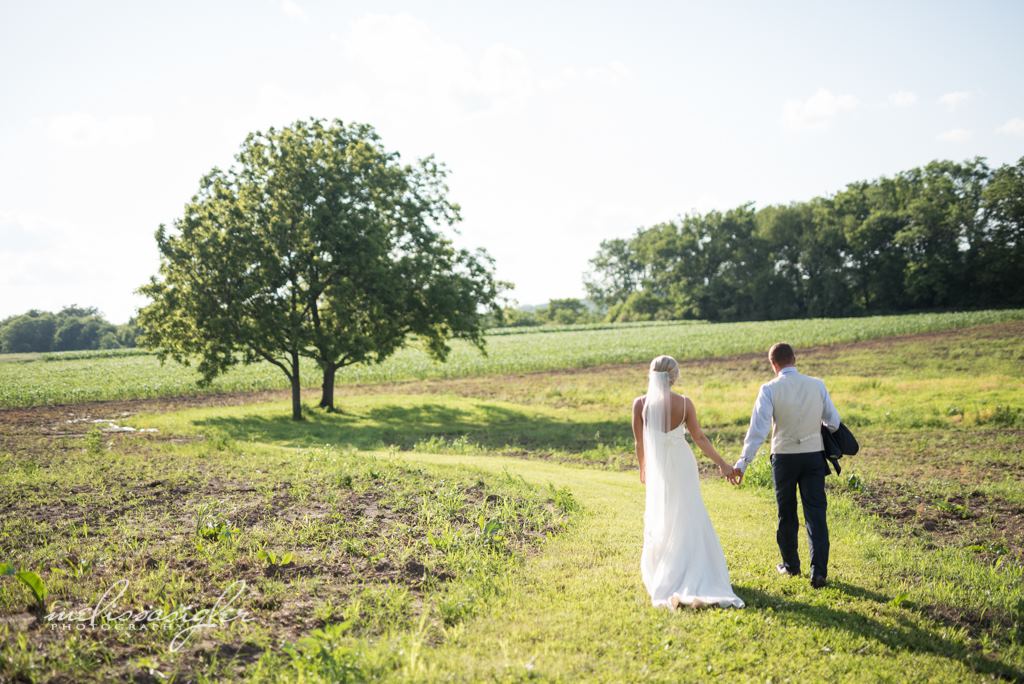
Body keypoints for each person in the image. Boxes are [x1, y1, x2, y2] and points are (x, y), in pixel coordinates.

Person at [632, 355, 744, 609]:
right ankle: (693, 567)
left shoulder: (640, 404)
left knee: (663, 513)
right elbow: (700, 438)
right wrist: (722, 464)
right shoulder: (684, 403)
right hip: (682, 464)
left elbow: (639, 442)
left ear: (652, 375)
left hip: (658, 466)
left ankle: (667, 569)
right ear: (674, 376)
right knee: (687, 513)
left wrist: (643, 468)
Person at [732, 343, 840, 588]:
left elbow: (758, 430)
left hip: (784, 457)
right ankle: (818, 571)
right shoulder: (817, 385)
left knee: (787, 512)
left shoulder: (769, 389)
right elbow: (833, 422)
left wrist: (743, 462)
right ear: (794, 359)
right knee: (816, 513)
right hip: (813, 455)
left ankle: (791, 565)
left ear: (773, 364)